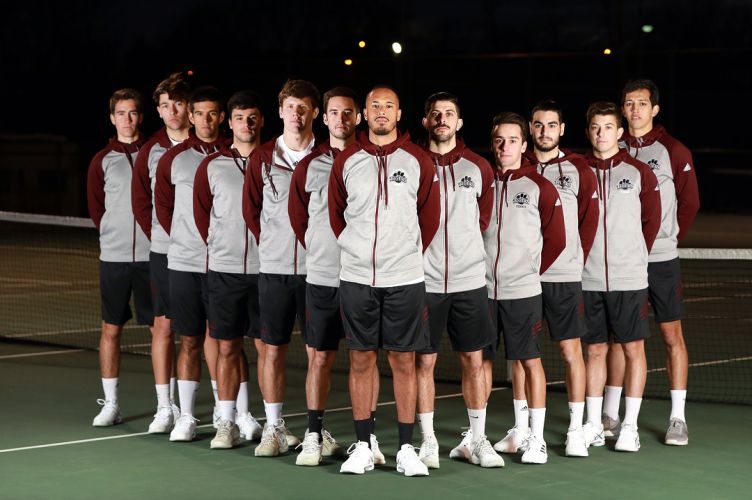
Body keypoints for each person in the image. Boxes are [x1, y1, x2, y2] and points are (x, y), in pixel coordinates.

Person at [329, 85, 440, 477]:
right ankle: (363, 445)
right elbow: (336, 215)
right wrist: (357, 250)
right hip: (357, 277)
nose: (381, 111)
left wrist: (402, 254)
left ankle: (406, 449)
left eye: (388, 106)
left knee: (404, 362)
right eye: (374, 105)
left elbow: (429, 218)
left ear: (398, 113)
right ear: (363, 113)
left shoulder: (419, 160)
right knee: (360, 359)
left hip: (405, 278)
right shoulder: (346, 160)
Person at [601, 79, 700, 446]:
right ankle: (610, 412)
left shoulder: (673, 150)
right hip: (623, 264)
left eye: (642, 103)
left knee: (671, 334)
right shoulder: (613, 147)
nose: (635, 110)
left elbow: (689, 204)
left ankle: (677, 418)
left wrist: (667, 240)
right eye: (628, 104)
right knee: (617, 337)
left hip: (660, 259)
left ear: (655, 109)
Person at [415, 92, 503, 469]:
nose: (442, 119)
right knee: (424, 362)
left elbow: (482, 219)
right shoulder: (413, 164)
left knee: (473, 359)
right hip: (424, 283)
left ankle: (479, 439)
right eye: (435, 114)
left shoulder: (479, 167)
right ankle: (429, 441)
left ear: (460, 122)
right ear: (425, 122)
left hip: (469, 282)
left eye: (449, 113)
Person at [288, 86, 371, 466]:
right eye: (334, 113)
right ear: (324, 118)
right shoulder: (308, 165)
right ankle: (312, 434)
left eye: (348, 112)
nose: (341, 119)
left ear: (359, 117)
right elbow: (299, 219)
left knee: (362, 360)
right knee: (319, 358)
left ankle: (365, 442)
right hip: (321, 278)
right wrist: (324, 251)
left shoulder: (373, 160)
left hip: (363, 280)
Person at [482, 112, 566, 465]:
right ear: (493, 143)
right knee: (479, 362)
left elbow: (557, 240)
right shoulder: (482, 182)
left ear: (524, 145)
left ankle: (537, 439)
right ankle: (478, 438)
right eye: (500, 140)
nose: (505, 146)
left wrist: (528, 271)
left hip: (523, 292)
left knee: (530, 361)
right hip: (482, 292)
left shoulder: (539, 187)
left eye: (513, 140)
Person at [517, 100, 599, 457]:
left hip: (564, 276)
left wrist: (571, 259)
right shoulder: (517, 167)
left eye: (551, 125)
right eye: (538, 125)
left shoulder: (579, 168)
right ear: (530, 129)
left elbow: (588, 222)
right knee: (521, 355)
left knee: (570, 351)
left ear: (562, 129)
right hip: (523, 278)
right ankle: (521, 430)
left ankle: (576, 430)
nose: (544, 131)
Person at [242, 79, 320, 456]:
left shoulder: (330, 158)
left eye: (304, 107)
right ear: (280, 112)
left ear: (315, 113)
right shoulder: (261, 159)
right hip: (273, 270)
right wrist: (274, 245)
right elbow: (252, 212)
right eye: (291, 107)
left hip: (318, 271)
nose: (297, 114)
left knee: (317, 354)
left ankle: (315, 433)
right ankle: (273, 428)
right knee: (271, 350)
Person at [581, 101, 661, 453]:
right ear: (588, 131)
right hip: (588, 278)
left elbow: (652, 222)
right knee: (595, 350)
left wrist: (631, 256)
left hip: (629, 280)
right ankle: (595, 424)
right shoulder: (577, 170)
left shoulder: (640, 172)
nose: (602, 134)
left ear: (619, 131)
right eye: (596, 127)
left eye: (608, 127)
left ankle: (630, 426)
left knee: (632, 349)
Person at [193, 90, 267, 449]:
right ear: (230, 122)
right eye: (239, 118)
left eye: (252, 117)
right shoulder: (212, 166)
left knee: (267, 348)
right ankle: (227, 423)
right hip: (223, 271)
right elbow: (201, 214)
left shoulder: (275, 162)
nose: (246, 124)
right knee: (226, 347)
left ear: (261, 121)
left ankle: (269, 424)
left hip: (266, 270)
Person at [154, 85, 226, 441]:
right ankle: (185, 417)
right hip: (183, 264)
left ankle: (226, 412)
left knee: (225, 341)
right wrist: (189, 240)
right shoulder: (173, 159)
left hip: (225, 266)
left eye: (213, 113)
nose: (206, 120)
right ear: (191, 117)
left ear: (222, 116)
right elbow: (162, 208)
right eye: (200, 113)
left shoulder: (234, 155)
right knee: (190, 340)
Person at [87, 88, 153, 426]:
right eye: (120, 113)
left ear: (140, 117)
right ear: (112, 118)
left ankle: (167, 405)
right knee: (111, 329)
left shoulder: (156, 153)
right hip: (113, 259)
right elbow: (98, 209)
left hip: (151, 258)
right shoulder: (102, 160)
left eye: (132, 113)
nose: (127, 119)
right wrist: (114, 235)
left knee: (161, 331)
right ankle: (111, 403)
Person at [132, 72, 192, 433]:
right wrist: (164, 235)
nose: (172, 111)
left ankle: (220, 409)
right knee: (164, 327)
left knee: (205, 332)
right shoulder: (150, 151)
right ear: (158, 110)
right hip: (165, 253)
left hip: (206, 257)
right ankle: (164, 407)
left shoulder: (212, 145)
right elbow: (142, 204)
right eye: (165, 106)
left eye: (178, 104)